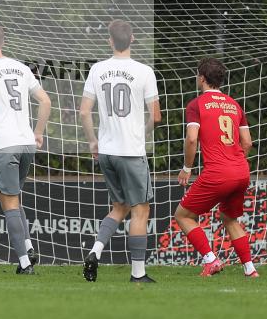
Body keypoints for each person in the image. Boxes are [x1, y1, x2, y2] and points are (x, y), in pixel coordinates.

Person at [80, 20, 162, 283]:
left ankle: (95, 251)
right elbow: (156, 116)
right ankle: (138, 274)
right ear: (133, 39)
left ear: (110, 41)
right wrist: (143, 132)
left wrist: (93, 141)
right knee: (140, 211)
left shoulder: (97, 69)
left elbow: (84, 111)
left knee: (119, 207)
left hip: (107, 151)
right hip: (131, 150)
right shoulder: (144, 71)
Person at [0, 24, 51, 275]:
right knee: (12, 197)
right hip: (26, 143)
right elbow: (46, 101)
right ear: (2, 42)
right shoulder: (21, 67)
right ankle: (28, 246)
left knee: (9, 204)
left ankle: (25, 263)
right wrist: (38, 132)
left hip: (4, 145)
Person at [174, 58, 257, 278]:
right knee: (230, 218)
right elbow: (247, 142)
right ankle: (250, 270)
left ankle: (210, 260)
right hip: (241, 170)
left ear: (201, 78)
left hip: (218, 172)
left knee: (183, 216)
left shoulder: (196, 104)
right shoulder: (234, 104)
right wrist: (235, 161)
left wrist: (187, 168)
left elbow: (192, 139)